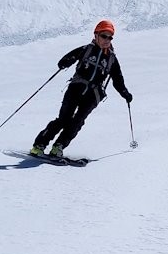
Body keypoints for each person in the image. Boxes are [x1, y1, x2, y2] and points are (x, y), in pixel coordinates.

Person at [31, 19, 132, 158]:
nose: (107, 40)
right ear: (96, 35)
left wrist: (125, 93)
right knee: (64, 119)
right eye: (104, 36)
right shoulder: (86, 50)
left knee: (77, 121)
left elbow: (118, 80)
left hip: (93, 95)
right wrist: (65, 62)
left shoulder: (112, 59)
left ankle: (58, 147)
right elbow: (67, 58)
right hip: (76, 89)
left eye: (110, 37)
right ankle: (39, 145)